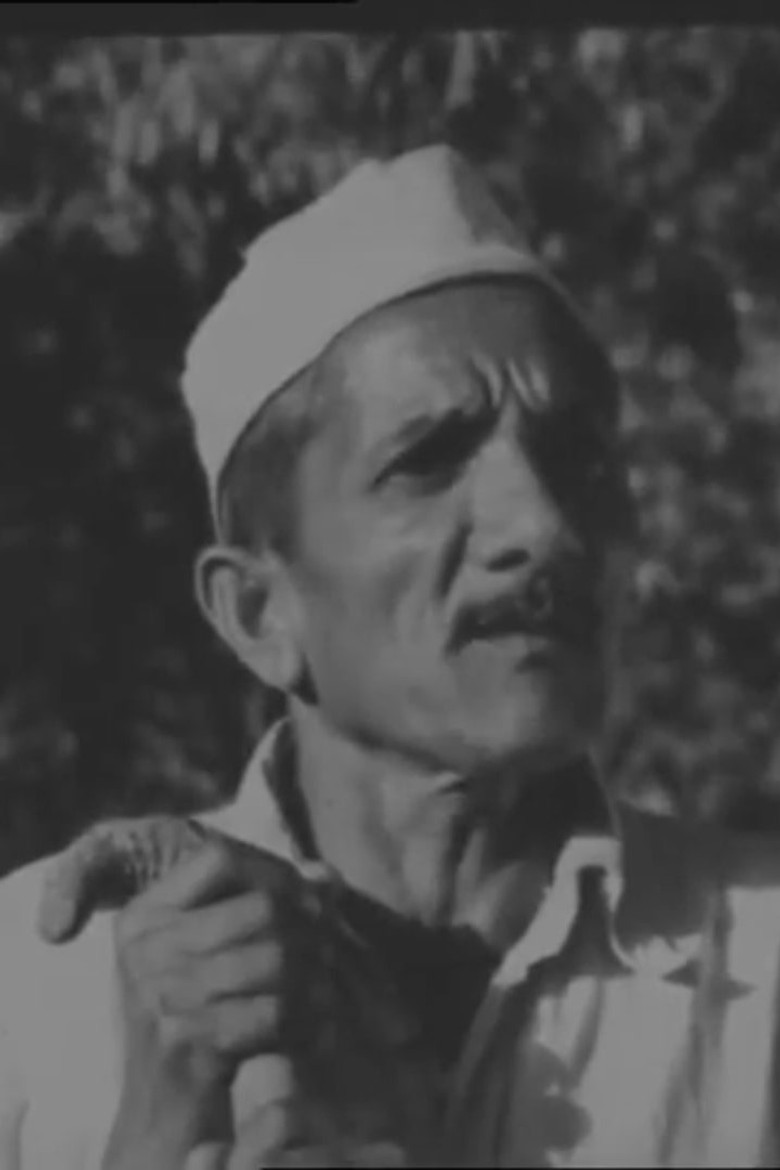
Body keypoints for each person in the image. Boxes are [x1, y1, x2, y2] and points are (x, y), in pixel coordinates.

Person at [1, 143, 779, 1169]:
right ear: (259, 614)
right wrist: (156, 1135)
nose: (544, 526)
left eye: (581, 457)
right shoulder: (36, 986)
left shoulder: (761, 964)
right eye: (428, 460)